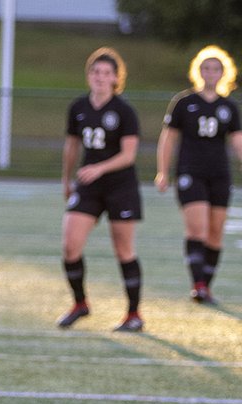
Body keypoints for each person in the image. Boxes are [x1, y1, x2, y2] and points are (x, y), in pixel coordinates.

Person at [58, 47, 145, 332]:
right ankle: (80, 304)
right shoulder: (78, 107)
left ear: (116, 78)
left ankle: (133, 314)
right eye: (95, 71)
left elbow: (128, 155)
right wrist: (66, 179)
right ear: (88, 75)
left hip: (121, 186)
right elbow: (72, 145)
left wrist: (100, 168)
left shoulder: (124, 111)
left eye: (106, 73)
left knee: (123, 249)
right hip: (88, 185)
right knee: (70, 245)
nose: (100, 77)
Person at [155, 45, 242, 306]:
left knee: (215, 232)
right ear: (198, 71)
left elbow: (238, 142)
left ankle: (206, 285)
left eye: (215, 68)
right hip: (190, 172)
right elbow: (168, 139)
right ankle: (198, 284)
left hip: (219, 174)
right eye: (206, 68)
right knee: (198, 228)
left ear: (224, 73)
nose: (210, 72)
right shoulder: (184, 102)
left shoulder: (229, 106)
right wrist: (163, 171)